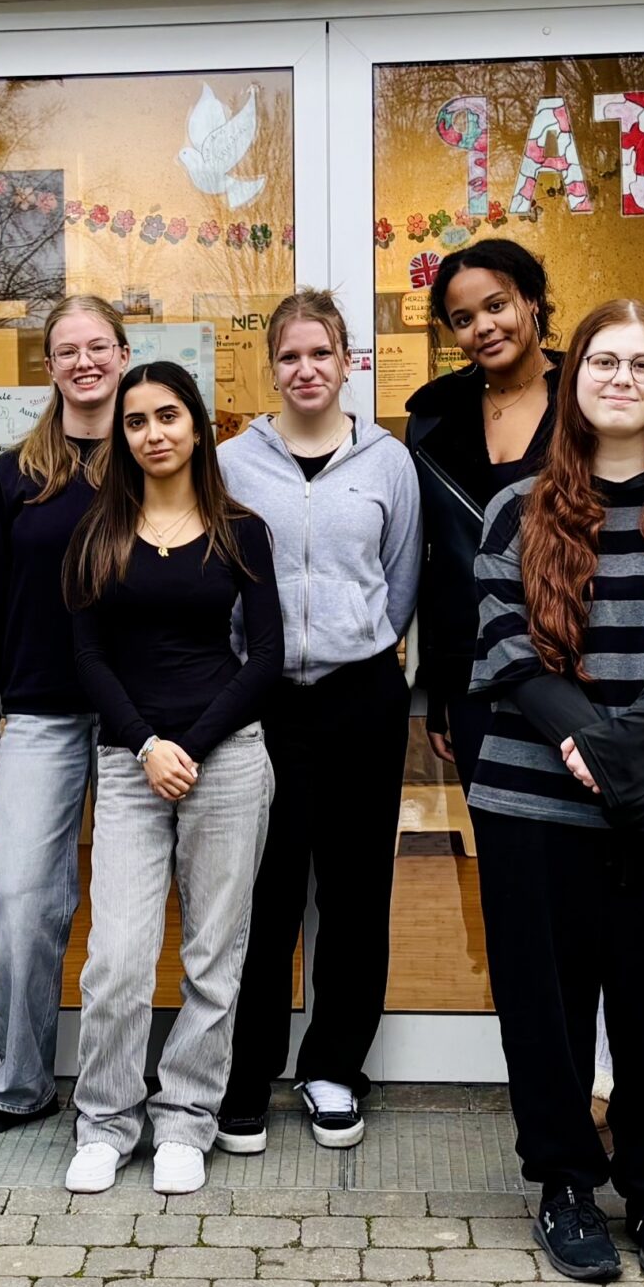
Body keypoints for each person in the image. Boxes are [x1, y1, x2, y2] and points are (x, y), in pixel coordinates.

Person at [465, 299, 644, 1285]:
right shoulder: (517, 508)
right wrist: (587, 742)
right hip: (534, 801)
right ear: (573, 378)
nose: (621, 379)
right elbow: (504, 645)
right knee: (543, 1010)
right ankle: (561, 1184)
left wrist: (628, 748)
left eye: (640, 364)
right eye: (603, 361)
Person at [63, 360, 282, 1196]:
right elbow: (87, 657)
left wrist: (188, 744)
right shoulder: (98, 532)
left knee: (212, 953)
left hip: (225, 758)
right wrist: (147, 744)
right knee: (116, 956)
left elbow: (265, 659)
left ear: (198, 425)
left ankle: (187, 1119)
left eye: (167, 416)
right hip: (129, 762)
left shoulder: (241, 529)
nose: (152, 433)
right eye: (135, 421)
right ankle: (106, 1122)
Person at [218, 289, 421, 1152]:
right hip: (259, 700)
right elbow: (215, 575)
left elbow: (401, 578)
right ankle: (250, 1069)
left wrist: (363, 643)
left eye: (321, 354)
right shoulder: (231, 464)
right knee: (260, 892)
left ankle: (335, 1065)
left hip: (359, 696)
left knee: (353, 889)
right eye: (291, 356)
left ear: (348, 363)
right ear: (274, 367)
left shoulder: (388, 464)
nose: (306, 370)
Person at [0, 294, 132, 1139]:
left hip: (143, 718)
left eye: (99, 346)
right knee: (19, 893)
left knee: (134, 910)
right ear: (48, 367)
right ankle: (21, 1082)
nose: (84, 361)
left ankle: (125, 1085)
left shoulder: (155, 456)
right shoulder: (13, 475)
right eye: (67, 350)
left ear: (124, 355)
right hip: (43, 715)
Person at [403, 240, 560, 775]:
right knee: (498, 849)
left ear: (532, 300)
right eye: (463, 318)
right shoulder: (432, 419)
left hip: (578, 664)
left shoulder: (590, 397)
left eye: (497, 306)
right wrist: (442, 688)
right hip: (475, 671)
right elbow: (436, 564)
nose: (484, 328)